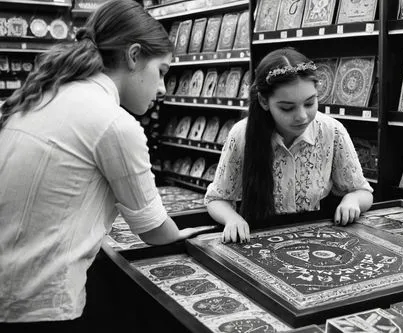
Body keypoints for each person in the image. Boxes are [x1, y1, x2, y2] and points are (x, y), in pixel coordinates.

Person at [0, 0, 209, 329]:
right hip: (42, 308)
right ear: (134, 55)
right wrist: (194, 235)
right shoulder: (113, 122)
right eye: (162, 72)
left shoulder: (44, 95)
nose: (162, 89)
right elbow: (155, 231)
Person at [205, 48, 374, 243]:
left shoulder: (331, 130)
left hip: (317, 239)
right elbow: (216, 199)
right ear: (264, 101)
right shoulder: (241, 134)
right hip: (257, 241)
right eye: (287, 108)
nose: (302, 116)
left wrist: (352, 200)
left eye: (310, 103)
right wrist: (232, 218)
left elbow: (363, 192)